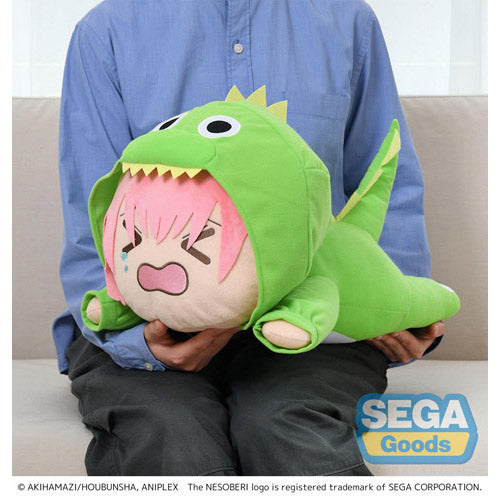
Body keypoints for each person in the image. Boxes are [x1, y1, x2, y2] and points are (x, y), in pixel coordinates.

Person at [54, 0, 446, 476]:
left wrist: (403, 302)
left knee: (286, 427)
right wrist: (141, 343)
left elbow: (385, 171)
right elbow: (92, 216)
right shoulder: (105, 33)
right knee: (173, 436)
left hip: (308, 315)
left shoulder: (347, 21)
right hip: (151, 318)